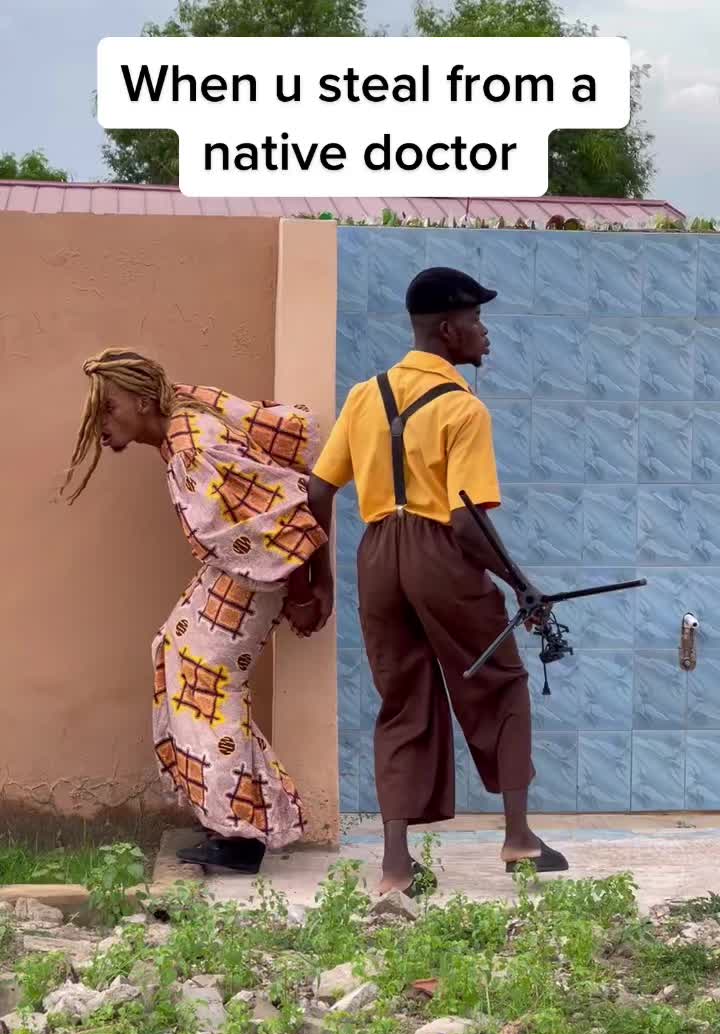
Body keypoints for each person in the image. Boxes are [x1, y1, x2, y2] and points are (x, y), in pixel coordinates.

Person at [308, 267, 568, 897]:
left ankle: (396, 868)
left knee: (403, 699)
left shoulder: (364, 396)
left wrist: (320, 580)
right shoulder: (462, 408)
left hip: (377, 557)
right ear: (448, 330)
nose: (485, 332)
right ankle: (518, 838)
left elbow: (318, 490)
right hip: (439, 554)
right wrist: (521, 585)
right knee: (500, 682)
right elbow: (467, 523)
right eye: (477, 320)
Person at [64, 349, 332, 872]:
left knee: (204, 683)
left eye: (108, 409)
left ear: (143, 402)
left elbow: (282, 514)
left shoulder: (193, 449)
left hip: (256, 574)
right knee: (174, 651)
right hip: (241, 569)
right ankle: (238, 818)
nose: (101, 425)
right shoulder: (185, 412)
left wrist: (307, 592)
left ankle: (238, 833)